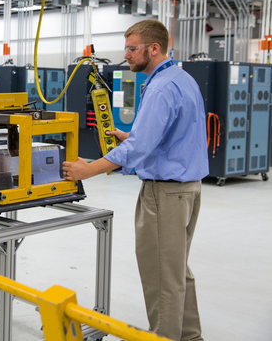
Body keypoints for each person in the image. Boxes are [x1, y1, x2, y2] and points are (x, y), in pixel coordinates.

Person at [62, 20, 208, 341]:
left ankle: (163, 336)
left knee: (161, 275)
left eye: (132, 48)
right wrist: (132, 134)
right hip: (188, 190)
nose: (126, 55)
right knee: (177, 271)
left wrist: (88, 170)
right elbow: (174, 134)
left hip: (165, 194)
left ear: (153, 49)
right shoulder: (182, 79)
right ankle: (190, 336)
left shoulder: (158, 88)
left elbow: (139, 149)